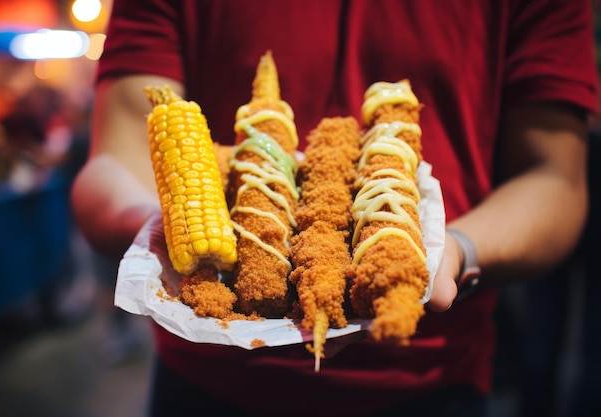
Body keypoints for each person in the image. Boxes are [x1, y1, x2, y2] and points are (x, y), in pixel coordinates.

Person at [70, 1, 599, 416]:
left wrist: (456, 250)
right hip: (205, 381)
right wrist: (149, 224)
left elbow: (555, 179)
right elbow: (113, 160)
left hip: (435, 383)